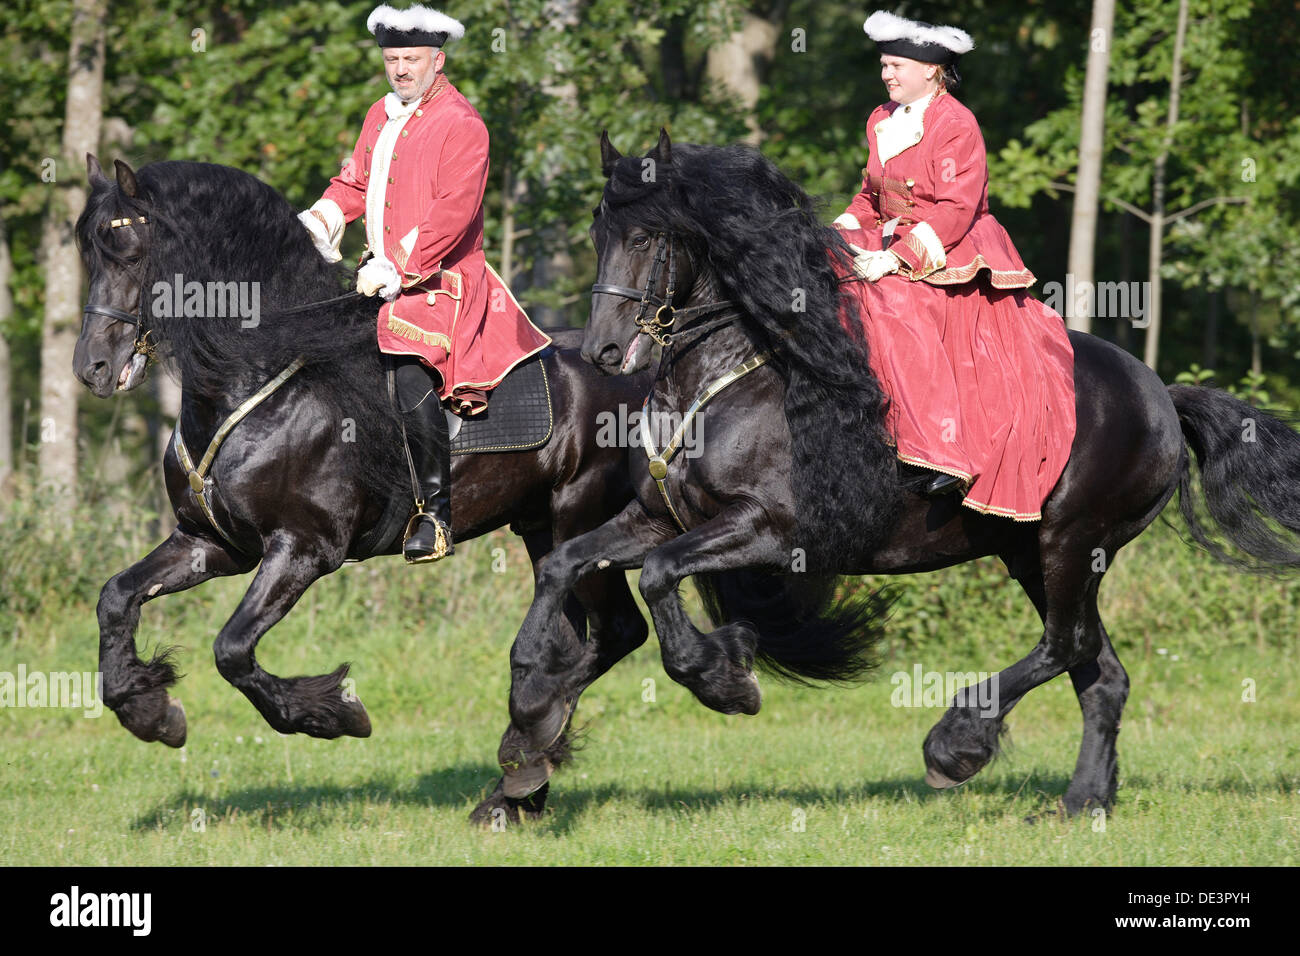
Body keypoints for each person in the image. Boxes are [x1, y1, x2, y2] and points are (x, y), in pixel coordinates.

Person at [298, 4, 551, 562]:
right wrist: (319, 217)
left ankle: (435, 514)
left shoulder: (463, 125)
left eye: (411, 59)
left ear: (438, 61)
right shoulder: (380, 115)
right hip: (379, 276)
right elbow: (356, 182)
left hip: (442, 282)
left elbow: (453, 213)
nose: (401, 69)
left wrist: (400, 268)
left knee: (408, 363)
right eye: (392, 59)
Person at [833, 10, 1076, 522]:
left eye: (896, 65)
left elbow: (957, 208)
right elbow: (870, 195)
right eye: (883, 65)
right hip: (889, 235)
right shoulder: (880, 118)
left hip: (952, 245)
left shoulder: (956, 123)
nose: (886, 75)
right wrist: (840, 230)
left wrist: (897, 258)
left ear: (931, 71)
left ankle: (937, 452)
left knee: (894, 303)